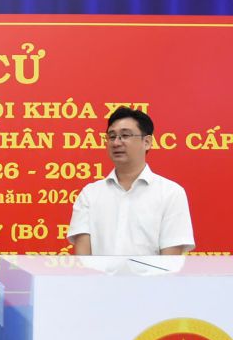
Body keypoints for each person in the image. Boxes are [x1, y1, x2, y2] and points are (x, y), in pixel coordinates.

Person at [68, 106, 194, 256]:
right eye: (112, 136)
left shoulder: (170, 193)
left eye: (125, 135)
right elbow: (83, 259)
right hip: (98, 273)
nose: (116, 143)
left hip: (151, 273)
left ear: (147, 142)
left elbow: (170, 260)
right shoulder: (90, 194)